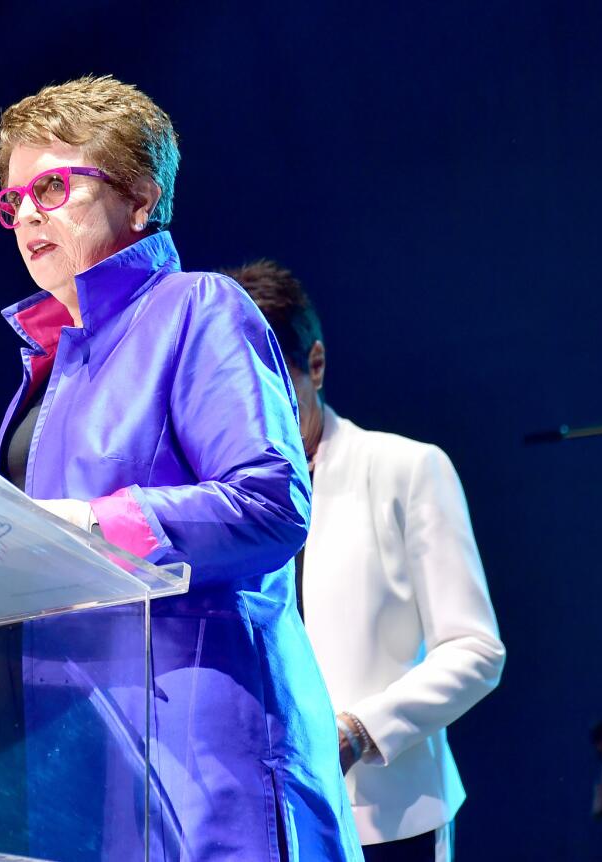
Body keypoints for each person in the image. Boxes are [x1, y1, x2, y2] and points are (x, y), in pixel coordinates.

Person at [0, 76, 360, 860]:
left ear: (141, 197)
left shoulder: (199, 307)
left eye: (53, 186)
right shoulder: (49, 364)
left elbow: (271, 504)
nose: (28, 216)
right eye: (14, 200)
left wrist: (86, 525)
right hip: (75, 753)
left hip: (196, 744)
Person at [226, 259, 506, 861]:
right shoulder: (224, 499)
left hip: (385, 821)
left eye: (273, 392)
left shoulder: (406, 469)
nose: (256, 423)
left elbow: (477, 651)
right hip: (254, 819)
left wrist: (360, 730)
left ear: (316, 365)